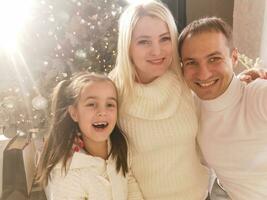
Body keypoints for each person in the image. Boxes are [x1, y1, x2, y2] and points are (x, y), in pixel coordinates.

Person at [110, 1, 210, 199]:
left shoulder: (185, 79)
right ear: (127, 45)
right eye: (144, 41)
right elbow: (118, 168)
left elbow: (220, 95)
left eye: (164, 39)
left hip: (201, 195)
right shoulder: (111, 94)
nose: (157, 51)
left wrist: (248, 81)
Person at [178, 16, 267, 199]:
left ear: (233, 57)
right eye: (191, 62)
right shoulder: (191, 106)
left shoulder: (257, 95)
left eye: (214, 59)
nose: (203, 74)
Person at [36, 73, 129, 200]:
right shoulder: (66, 173)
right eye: (91, 104)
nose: (102, 112)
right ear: (74, 113)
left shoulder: (120, 147)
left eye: (110, 104)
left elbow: (130, 184)